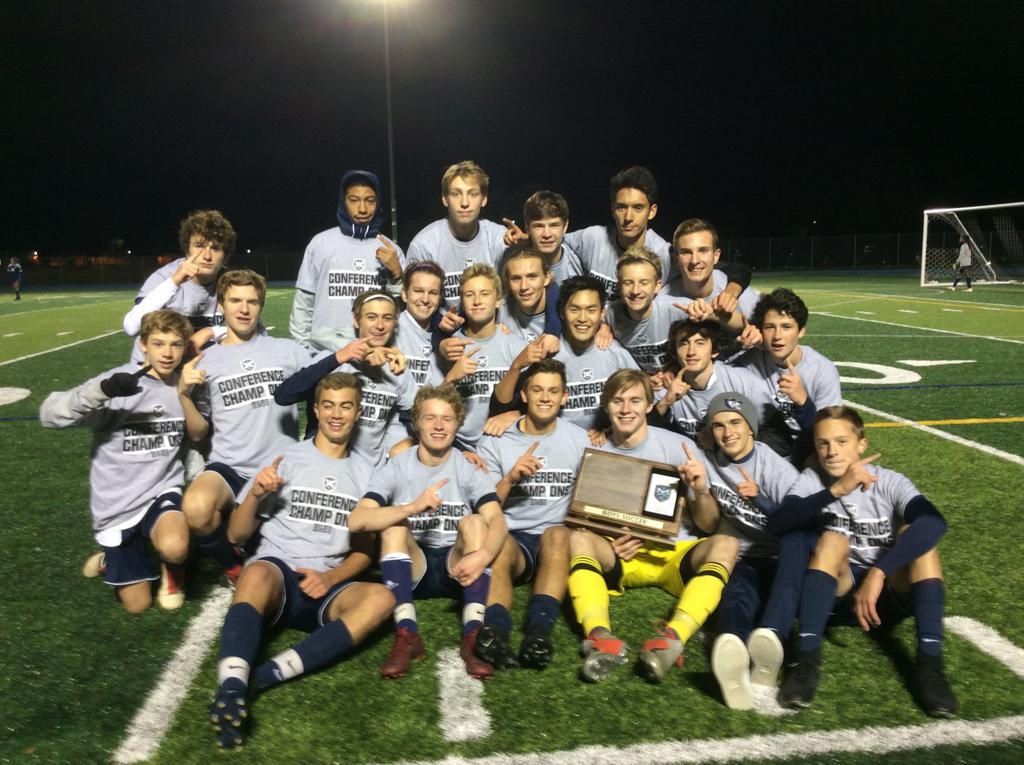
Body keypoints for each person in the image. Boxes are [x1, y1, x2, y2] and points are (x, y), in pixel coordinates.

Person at [208, 372, 394, 749]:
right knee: (256, 571)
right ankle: (231, 687)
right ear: (316, 409)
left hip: (328, 583)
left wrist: (331, 578)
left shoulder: (367, 474)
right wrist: (256, 496)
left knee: (382, 599)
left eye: (346, 406)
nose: (337, 414)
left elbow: (363, 551)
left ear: (358, 412)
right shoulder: (287, 458)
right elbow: (237, 536)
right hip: (279, 573)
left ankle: (261, 678)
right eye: (329, 405)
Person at [764, 406, 957, 718]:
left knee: (919, 538)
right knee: (833, 540)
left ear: (861, 444)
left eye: (841, 442)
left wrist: (880, 571)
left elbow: (935, 524)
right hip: (838, 595)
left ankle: (930, 667)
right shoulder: (813, 481)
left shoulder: (890, 482)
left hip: (888, 594)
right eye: (823, 443)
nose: (831, 451)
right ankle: (806, 663)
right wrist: (836, 490)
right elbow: (778, 524)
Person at [566, 369, 739, 682]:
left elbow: (710, 524)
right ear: (606, 406)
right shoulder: (595, 450)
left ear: (649, 405)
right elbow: (584, 516)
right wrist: (604, 539)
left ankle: (671, 640)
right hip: (621, 556)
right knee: (578, 540)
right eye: (617, 401)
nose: (626, 409)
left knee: (727, 544)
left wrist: (700, 490)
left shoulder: (679, 446)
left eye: (635, 400)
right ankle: (599, 637)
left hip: (672, 553)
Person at [349, 384, 507, 679]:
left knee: (475, 522)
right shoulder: (396, 466)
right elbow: (357, 520)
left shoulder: (468, 467)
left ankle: (472, 635)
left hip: (458, 569)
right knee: (394, 525)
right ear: (416, 422)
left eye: (446, 419)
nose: (438, 426)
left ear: (458, 424)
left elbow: (498, 520)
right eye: (430, 417)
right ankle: (407, 633)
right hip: (413, 569)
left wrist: (483, 555)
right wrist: (410, 508)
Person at [40, 309, 193, 612]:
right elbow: (49, 414)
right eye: (159, 343)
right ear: (143, 344)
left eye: (176, 344)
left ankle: (172, 572)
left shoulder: (184, 386)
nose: (167, 353)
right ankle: (109, 559)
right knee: (137, 605)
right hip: (116, 503)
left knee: (175, 546)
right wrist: (102, 391)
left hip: (161, 489)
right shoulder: (119, 384)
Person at [179, 269, 317, 583]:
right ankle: (231, 564)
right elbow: (199, 432)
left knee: (299, 551)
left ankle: (250, 532)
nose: (244, 309)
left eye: (252, 302)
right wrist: (183, 396)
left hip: (279, 467)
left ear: (261, 306)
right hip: (230, 465)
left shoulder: (287, 350)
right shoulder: (204, 362)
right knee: (197, 508)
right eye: (235, 301)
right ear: (221, 306)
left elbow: (329, 373)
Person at [686, 393, 801, 710]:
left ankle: (774, 653)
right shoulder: (709, 459)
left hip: (780, 558)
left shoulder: (778, 471)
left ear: (751, 428)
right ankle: (732, 653)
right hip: (743, 556)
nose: (728, 432)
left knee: (775, 609)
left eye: (736, 422)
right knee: (736, 596)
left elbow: (802, 529)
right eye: (719, 425)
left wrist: (761, 499)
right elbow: (708, 525)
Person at [475, 359, 590, 669]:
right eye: (537, 390)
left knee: (556, 535)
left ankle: (538, 633)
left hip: (555, 538)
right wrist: (511, 479)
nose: (545, 397)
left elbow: (591, 498)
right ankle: (495, 631)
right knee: (500, 545)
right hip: (514, 537)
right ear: (523, 395)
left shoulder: (579, 440)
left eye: (553, 391)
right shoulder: (496, 440)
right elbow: (483, 506)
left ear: (565, 397)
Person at [274, 289, 415, 465]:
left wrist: (402, 447)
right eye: (371, 317)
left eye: (387, 318)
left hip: (370, 472)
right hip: (324, 465)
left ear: (395, 323)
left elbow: (415, 417)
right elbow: (284, 395)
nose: (380, 325)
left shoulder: (397, 367)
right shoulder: (334, 359)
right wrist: (339, 357)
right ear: (356, 321)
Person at [290, 170, 405, 351]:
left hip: (372, 357)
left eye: (370, 200)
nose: (362, 209)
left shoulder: (392, 250)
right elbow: (303, 305)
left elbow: (398, 313)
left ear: (378, 203)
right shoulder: (320, 243)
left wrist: (397, 276)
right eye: (354, 200)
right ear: (343, 202)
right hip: (324, 355)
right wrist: (303, 352)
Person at [733, 288, 842, 463]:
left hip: (810, 453)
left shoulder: (822, 370)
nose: (777, 336)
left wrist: (803, 403)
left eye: (786, 327)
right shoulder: (749, 360)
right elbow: (712, 374)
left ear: (801, 331)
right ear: (760, 330)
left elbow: (831, 433)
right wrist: (740, 345)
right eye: (770, 327)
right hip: (766, 452)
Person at [123, 210, 236, 362]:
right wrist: (174, 282)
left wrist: (211, 331)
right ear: (187, 249)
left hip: (201, 369)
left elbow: (258, 332)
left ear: (225, 255)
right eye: (199, 246)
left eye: (215, 248)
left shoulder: (230, 283)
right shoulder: (165, 278)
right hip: (154, 373)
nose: (207, 256)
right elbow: (131, 326)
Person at [442, 264, 528, 451]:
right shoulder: (450, 348)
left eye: (485, 294)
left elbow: (536, 398)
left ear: (498, 300)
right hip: (457, 448)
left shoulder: (516, 347)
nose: (477, 301)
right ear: (462, 302)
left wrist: (516, 413)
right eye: (469, 295)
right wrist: (450, 378)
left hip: (505, 445)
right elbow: (430, 407)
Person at [562, 166, 676, 299]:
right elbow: (555, 241)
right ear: (612, 209)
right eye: (621, 207)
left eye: (637, 208)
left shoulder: (664, 255)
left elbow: (695, 278)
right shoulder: (593, 238)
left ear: (652, 211)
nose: (628, 217)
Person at [406, 161, 507, 304]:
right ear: (445, 199)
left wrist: (523, 246)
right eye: (456, 194)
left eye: (473, 194)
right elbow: (413, 300)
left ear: (484, 199)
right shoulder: (424, 245)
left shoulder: (500, 238)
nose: (464, 203)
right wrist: (437, 320)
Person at [655, 319, 770, 441]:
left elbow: (771, 430)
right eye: (684, 344)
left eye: (700, 343)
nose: (691, 352)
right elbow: (645, 433)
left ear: (714, 351)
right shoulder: (668, 389)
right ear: (674, 352)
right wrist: (665, 403)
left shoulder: (743, 381)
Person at [662, 218, 756, 331]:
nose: (694, 260)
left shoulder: (740, 295)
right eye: (686, 252)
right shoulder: (663, 301)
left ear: (716, 256)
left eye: (702, 251)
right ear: (676, 258)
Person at [605, 247, 688, 374]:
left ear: (657, 285)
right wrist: (600, 326)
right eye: (628, 283)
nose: (635, 291)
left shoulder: (675, 308)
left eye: (644, 283)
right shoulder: (610, 314)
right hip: (640, 384)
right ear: (619, 286)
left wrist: (707, 314)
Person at [394, 262, 446, 387]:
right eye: (418, 291)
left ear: (439, 298)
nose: (425, 299)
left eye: (433, 293)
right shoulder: (391, 331)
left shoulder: (445, 336)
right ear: (404, 294)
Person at [520, 190, 583, 285]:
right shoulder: (516, 266)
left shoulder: (579, 262)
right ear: (527, 228)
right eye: (539, 226)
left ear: (565, 226)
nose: (546, 234)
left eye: (554, 225)